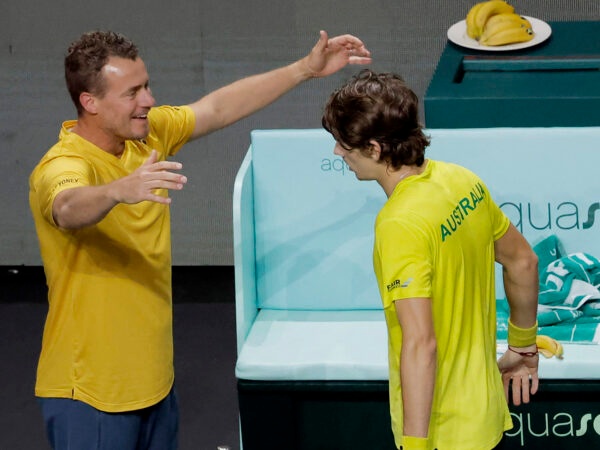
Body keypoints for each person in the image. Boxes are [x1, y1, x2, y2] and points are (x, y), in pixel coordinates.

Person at [28, 30, 371, 450]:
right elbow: (66, 207)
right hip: (91, 395)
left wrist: (304, 69)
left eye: (147, 85)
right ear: (90, 102)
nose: (149, 100)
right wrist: (117, 190)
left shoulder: (147, 136)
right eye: (132, 92)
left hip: (153, 385)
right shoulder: (64, 163)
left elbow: (218, 108)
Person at [321, 70, 539, 450]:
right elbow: (523, 262)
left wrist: (416, 446)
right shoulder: (462, 180)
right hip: (485, 420)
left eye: (343, 144)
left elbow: (421, 343)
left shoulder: (398, 224)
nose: (338, 153)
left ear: (374, 149)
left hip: (442, 434)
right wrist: (523, 348)